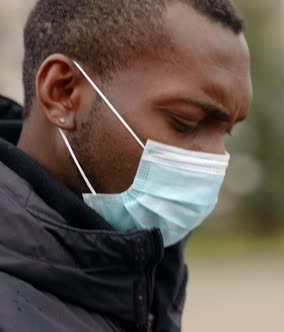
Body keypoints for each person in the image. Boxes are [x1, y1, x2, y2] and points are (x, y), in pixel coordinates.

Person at [0, 0, 252, 331]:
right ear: (62, 91)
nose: (213, 159)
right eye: (184, 121)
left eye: (226, 132)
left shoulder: (146, 276)